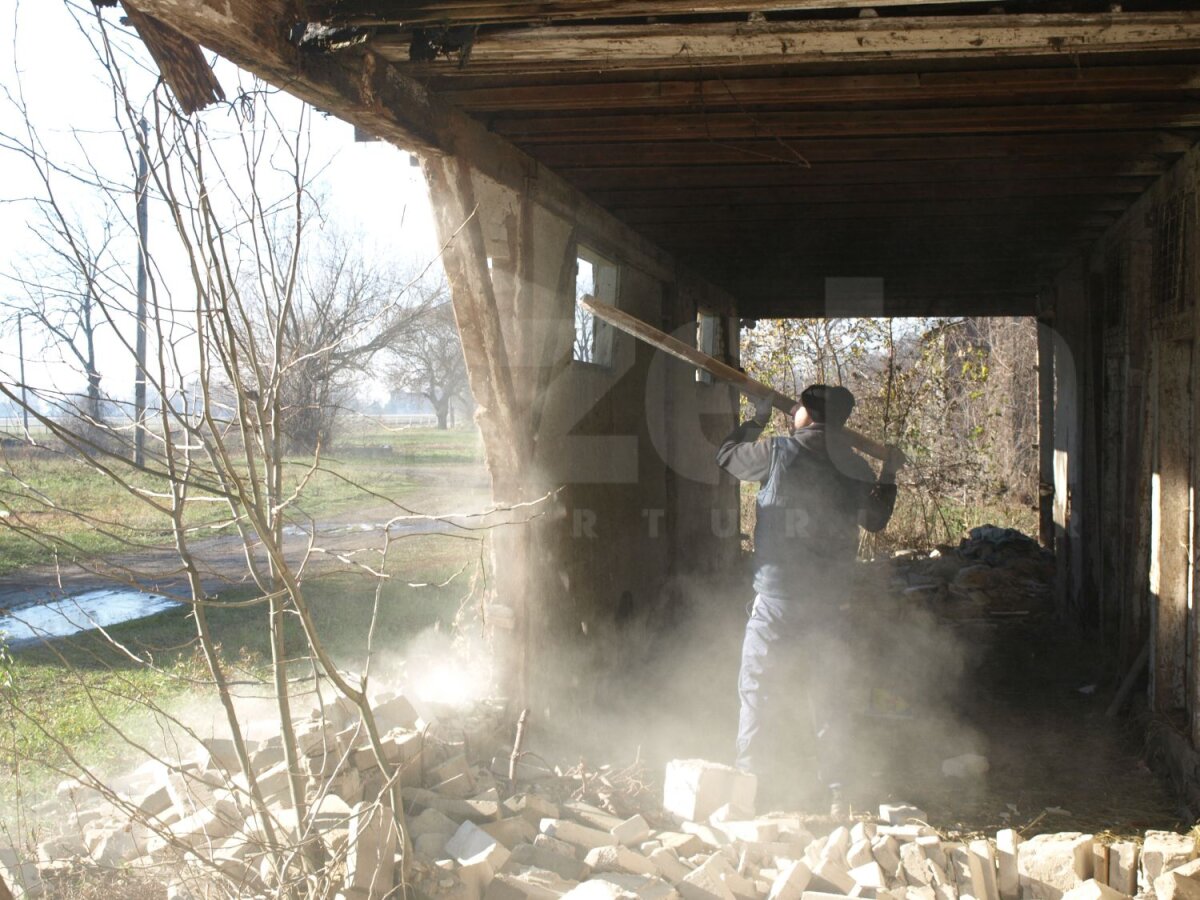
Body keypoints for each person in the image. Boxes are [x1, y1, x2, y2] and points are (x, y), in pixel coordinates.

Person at [716, 384, 905, 816]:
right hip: (828, 603)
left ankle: (749, 790)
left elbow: (725, 456)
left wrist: (756, 420)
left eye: (795, 407)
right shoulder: (854, 465)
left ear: (805, 412)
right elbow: (876, 519)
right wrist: (889, 472)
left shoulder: (775, 452)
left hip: (776, 601)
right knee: (829, 698)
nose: (791, 413)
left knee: (758, 693)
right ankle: (840, 796)